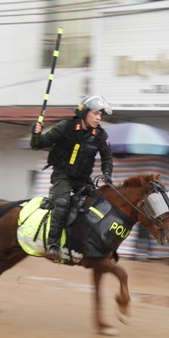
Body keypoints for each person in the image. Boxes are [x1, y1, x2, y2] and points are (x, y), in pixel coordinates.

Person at [30, 94, 114, 261]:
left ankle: (93, 246)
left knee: (100, 205)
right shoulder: (65, 127)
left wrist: (107, 174)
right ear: (84, 112)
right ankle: (53, 244)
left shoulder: (100, 135)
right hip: (63, 176)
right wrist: (36, 133)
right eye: (95, 113)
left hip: (83, 180)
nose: (98, 118)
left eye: (100, 115)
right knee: (62, 203)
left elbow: (107, 158)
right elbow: (37, 145)